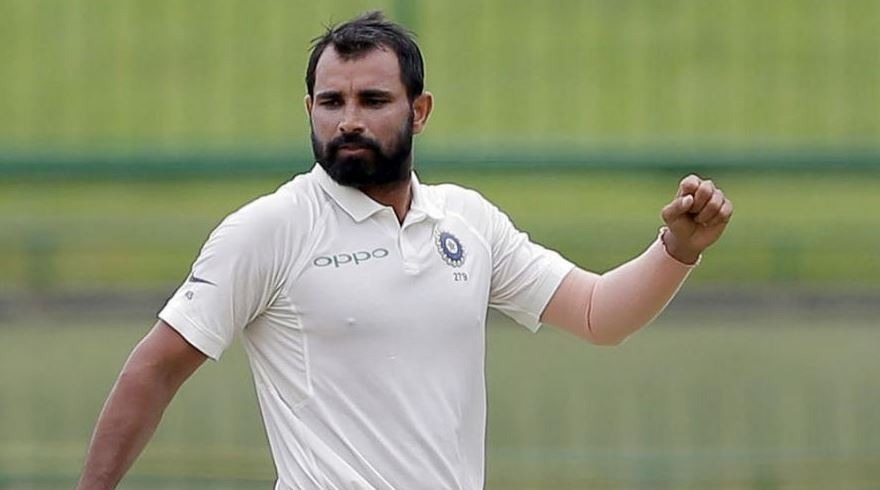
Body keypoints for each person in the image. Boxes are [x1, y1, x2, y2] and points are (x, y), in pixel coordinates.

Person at [76, 11, 733, 490]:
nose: (349, 120)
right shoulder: (271, 229)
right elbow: (155, 368)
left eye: (373, 100)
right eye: (330, 102)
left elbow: (597, 315)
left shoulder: (467, 221)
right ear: (309, 109)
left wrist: (675, 250)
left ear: (419, 111)